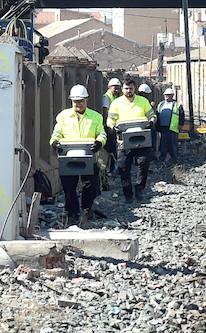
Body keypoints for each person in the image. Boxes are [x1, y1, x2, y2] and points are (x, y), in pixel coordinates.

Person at [49, 84, 106, 227]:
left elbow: (101, 133)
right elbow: (56, 133)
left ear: (86, 100)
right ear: (71, 101)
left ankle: (87, 210)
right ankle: (72, 213)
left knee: (90, 186)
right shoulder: (63, 116)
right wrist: (54, 142)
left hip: (89, 157)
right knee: (69, 187)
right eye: (75, 101)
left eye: (80, 101)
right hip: (69, 158)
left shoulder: (96, 117)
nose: (78, 104)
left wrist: (99, 142)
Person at [106, 78, 156, 200]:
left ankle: (139, 190)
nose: (129, 91)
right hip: (123, 142)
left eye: (131, 88)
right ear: (122, 89)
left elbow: (152, 115)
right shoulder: (116, 103)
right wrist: (112, 126)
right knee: (124, 169)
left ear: (134, 89)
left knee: (143, 165)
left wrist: (151, 122)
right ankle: (128, 194)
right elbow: (110, 119)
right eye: (126, 88)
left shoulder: (143, 101)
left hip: (142, 141)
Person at [156, 86, 183, 166]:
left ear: (172, 96)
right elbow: (157, 115)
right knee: (163, 144)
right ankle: (162, 158)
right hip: (163, 127)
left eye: (169, 95)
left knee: (173, 144)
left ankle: (174, 159)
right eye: (166, 95)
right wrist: (157, 127)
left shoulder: (177, 105)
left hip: (172, 127)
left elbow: (181, 115)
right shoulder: (161, 104)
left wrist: (180, 125)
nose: (167, 96)